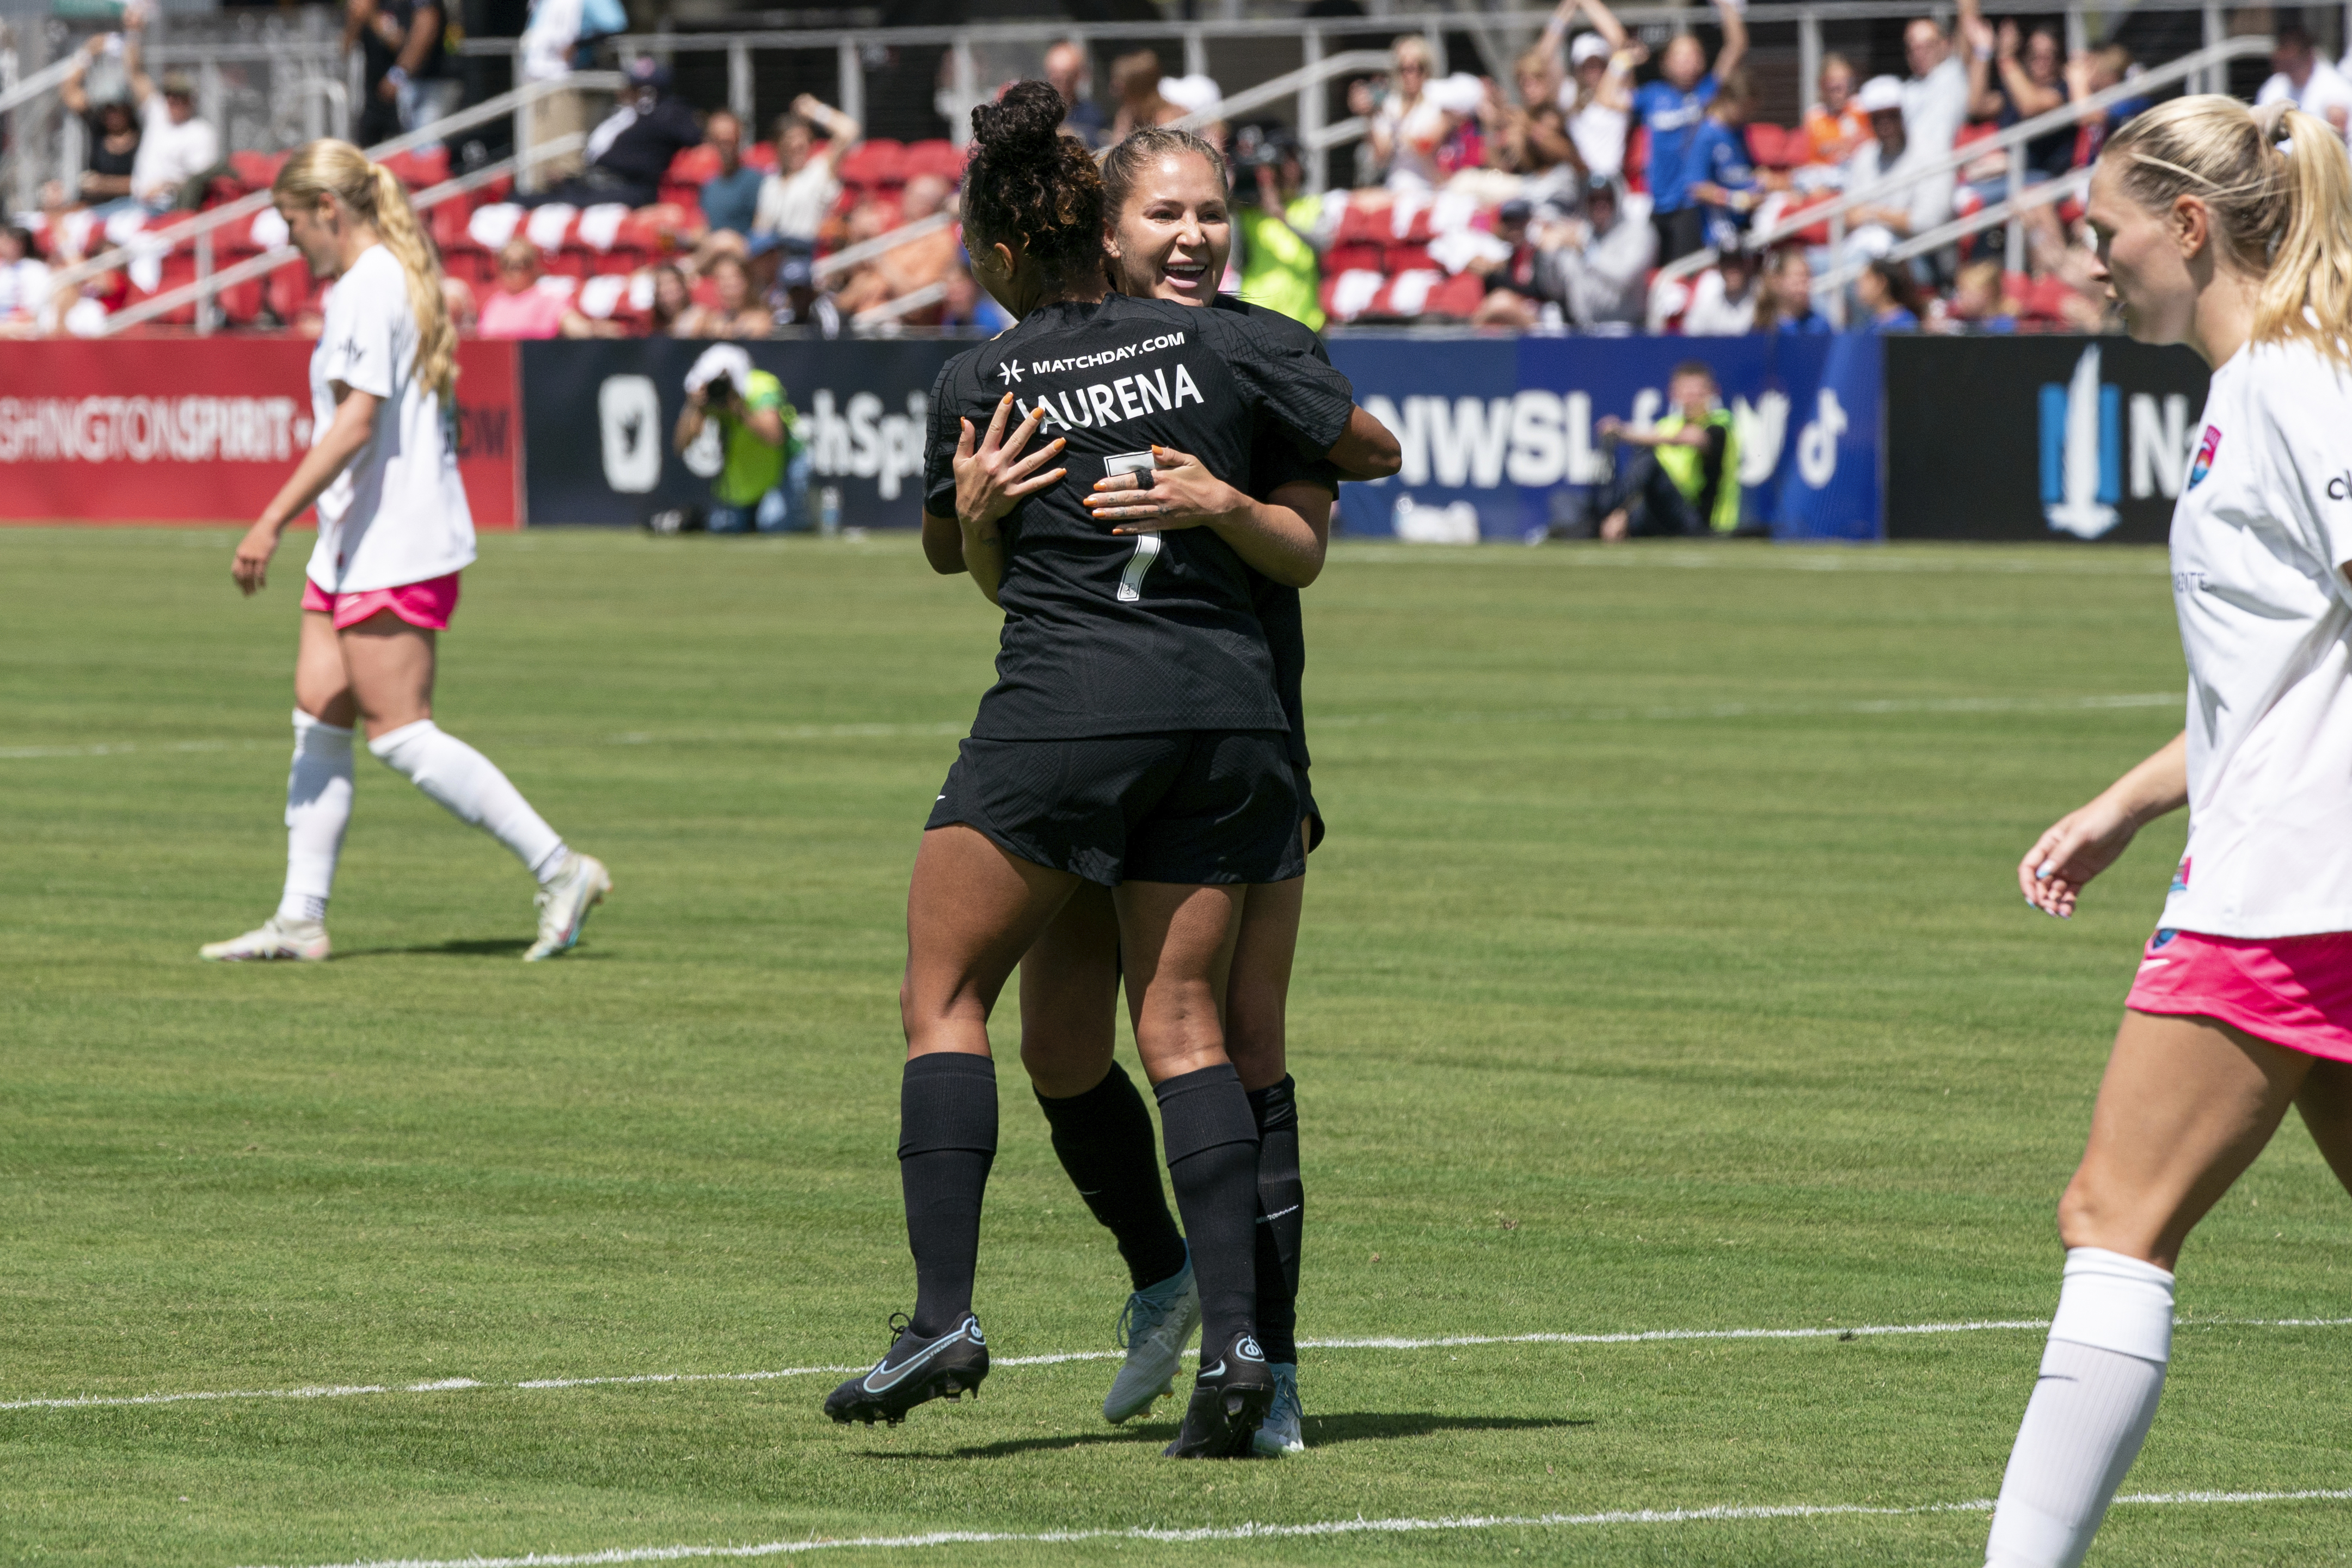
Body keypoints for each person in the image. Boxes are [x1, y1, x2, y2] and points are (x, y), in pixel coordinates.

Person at [822, 82, 1360, 1460]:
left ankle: (952, 1310)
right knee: (1135, 1035)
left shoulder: (992, 371)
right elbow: (1360, 444)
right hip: (1223, 721)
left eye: (1207, 212)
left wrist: (1205, 497)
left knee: (947, 995)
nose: (1190, 234)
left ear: (999, 254)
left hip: (1080, 720)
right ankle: (1222, 1326)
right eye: (1165, 213)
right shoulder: (1225, 355)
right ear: (1104, 230)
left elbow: (965, 561)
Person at [1985, 94, 2352, 1568]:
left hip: (2286, 889)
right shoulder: (2268, 386)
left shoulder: (2287, 386)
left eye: (2102, 235)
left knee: (2112, 1213)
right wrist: (2128, 801)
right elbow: (2282, 679)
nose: (2088, 265)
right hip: (2291, 866)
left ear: (2186, 229)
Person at [202, 140, 609, 967]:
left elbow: (355, 422)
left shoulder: (368, 284)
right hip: (360, 539)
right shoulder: (385, 277)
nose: (288, 241)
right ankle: (300, 918)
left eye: (290, 222)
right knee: (318, 719)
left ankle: (561, 867)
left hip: (396, 540)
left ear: (328, 211)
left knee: (398, 733)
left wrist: (271, 517)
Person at [1634, 0, 1747, 264]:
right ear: (1665, 63)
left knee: (1683, 275)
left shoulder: (1707, 92)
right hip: (1656, 202)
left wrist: (1724, 5)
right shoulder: (1652, 95)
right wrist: (1624, 60)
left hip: (1689, 205)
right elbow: (1608, 100)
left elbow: (1736, 46)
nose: (1688, 62)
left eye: (1693, 55)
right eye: (1680, 56)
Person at [1583, 360, 1740, 539]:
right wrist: (1622, 514)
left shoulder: (1721, 423)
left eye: (1699, 393)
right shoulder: (1668, 426)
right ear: (1674, 394)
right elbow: (1646, 482)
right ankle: (1612, 516)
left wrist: (1622, 432)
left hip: (1706, 522)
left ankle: (1602, 512)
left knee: (1649, 461)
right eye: (1687, 393)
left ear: (1714, 392)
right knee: (1644, 457)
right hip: (1667, 516)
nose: (1693, 399)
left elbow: (1694, 438)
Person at [537, 57, 701, 212]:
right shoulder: (623, 116)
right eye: (631, 86)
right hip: (594, 183)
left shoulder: (669, 114)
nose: (627, 92)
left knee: (555, 208)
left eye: (638, 89)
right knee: (532, 200)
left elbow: (695, 137)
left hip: (629, 189)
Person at [673, 343, 807, 534]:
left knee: (773, 524)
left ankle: (802, 514)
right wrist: (694, 407)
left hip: (782, 468)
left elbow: (775, 437)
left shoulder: (760, 386)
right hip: (744, 477)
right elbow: (682, 446)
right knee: (723, 528)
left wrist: (739, 409)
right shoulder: (709, 397)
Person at [1232, 125, 1325, 333]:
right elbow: (1236, 263)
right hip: (1258, 321)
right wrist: (1233, 208)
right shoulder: (1249, 215)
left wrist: (1282, 216)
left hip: (1304, 321)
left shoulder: (1312, 205)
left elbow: (1324, 245)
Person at [831, 174, 957, 320]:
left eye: (913, 196)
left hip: (898, 326)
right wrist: (858, 238)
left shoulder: (940, 242)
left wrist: (879, 260)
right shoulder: (896, 228)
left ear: (927, 206)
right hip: (855, 312)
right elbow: (852, 275)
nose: (903, 199)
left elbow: (916, 302)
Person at [124, 19, 218, 213]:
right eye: (169, 95)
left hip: (169, 207)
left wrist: (166, 186)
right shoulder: (157, 112)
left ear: (191, 101)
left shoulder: (200, 132)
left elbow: (199, 182)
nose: (173, 101)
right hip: (138, 203)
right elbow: (135, 73)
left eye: (180, 97)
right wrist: (133, 33)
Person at [1538, 171, 1653, 328]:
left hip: (1625, 328)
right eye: (1593, 200)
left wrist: (1586, 249)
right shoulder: (1580, 233)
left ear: (1617, 200)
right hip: (1583, 329)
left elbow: (1624, 276)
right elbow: (1555, 290)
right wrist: (1549, 254)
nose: (1600, 206)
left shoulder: (1638, 232)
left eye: (1606, 199)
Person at [1540, 0, 1635, 181]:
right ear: (1578, 68)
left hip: (1616, 180)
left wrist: (1588, 2)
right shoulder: (1568, 95)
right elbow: (1545, 56)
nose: (1595, 70)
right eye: (1588, 65)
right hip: (1582, 180)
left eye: (1599, 64)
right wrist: (1568, 6)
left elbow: (1619, 40)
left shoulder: (1620, 92)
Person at [752, 96, 861, 253]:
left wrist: (816, 110)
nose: (797, 144)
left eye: (802, 138)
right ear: (778, 146)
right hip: (777, 256)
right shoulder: (771, 179)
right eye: (790, 139)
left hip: (811, 253)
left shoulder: (819, 170)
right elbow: (761, 227)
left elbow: (849, 130)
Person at [346, 0, 457, 147]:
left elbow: (410, 38)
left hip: (421, 85)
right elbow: (345, 48)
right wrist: (356, 18)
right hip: (374, 97)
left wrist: (398, 75)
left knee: (424, 149)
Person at [1361, 36, 1458, 193]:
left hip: (1428, 186)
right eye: (1403, 69)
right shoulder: (1391, 104)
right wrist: (1370, 117)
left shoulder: (1437, 101)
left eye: (1416, 68)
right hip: (1395, 184)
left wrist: (1399, 132)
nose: (1409, 75)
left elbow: (1427, 146)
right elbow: (1381, 157)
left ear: (1427, 69)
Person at [54, 36, 142, 210]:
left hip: (133, 211)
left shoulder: (144, 132)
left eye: (117, 108)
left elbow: (146, 184)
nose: (111, 114)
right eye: (107, 108)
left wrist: (103, 184)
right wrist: (88, 52)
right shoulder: (98, 127)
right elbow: (68, 91)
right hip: (96, 209)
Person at [1683, 69, 1760, 254]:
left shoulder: (1739, 130)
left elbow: (1744, 172)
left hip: (1746, 221)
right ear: (1727, 100)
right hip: (1718, 227)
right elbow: (1697, 188)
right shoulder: (1706, 135)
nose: (1746, 116)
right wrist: (1737, 200)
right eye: (1743, 109)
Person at [475, 238, 614, 339]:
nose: (512, 270)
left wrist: (596, 330)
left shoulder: (550, 298)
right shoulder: (495, 302)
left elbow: (576, 327)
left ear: (533, 267)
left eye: (520, 264)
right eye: (506, 264)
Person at [2257, 24, 2352, 139]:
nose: (2280, 54)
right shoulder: (2273, 87)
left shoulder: (2334, 87)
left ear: (2307, 54)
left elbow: (2338, 138)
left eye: (2287, 47)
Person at [673, 253, 773, 338]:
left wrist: (722, 329)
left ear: (746, 281)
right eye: (721, 278)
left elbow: (756, 332)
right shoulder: (711, 318)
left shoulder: (760, 317)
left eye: (733, 277)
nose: (727, 283)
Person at [698, 110, 764, 238]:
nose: (724, 145)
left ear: (739, 139)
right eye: (719, 140)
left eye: (729, 140)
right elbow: (705, 229)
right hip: (713, 249)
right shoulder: (709, 185)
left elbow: (761, 228)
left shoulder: (755, 180)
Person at [1801, 52, 1870, 168]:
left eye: (1843, 86)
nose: (1839, 94)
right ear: (1823, 86)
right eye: (1834, 88)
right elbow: (1813, 156)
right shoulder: (1814, 117)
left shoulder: (1862, 110)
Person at [1751, 245, 1832, 334]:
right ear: (1777, 281)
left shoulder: (1820, 326)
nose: (1803, 286)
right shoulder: (1762, 326)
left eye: (1807, 276)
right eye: (1798, 277)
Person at [1680, 244, 1758, 334]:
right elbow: (1690, 334)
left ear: (1747, 265)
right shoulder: (1710, 299)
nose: (1732, 270)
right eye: (1727, 265)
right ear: (1720, 268)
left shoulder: (1760, 298)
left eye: (1737, 264)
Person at [1045, 39, 1107, 147]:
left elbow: (1099, 144)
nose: (1059, 81)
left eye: (1066, 76)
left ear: (1078, 76)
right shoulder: (1040, 112)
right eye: (1054, 74)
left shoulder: (1091, 114)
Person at [1853, 254, 1922, 330]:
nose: (1859, 285)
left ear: (1881, 282)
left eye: (1867, 279)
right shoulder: (1871, 324)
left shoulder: (1906, 324)